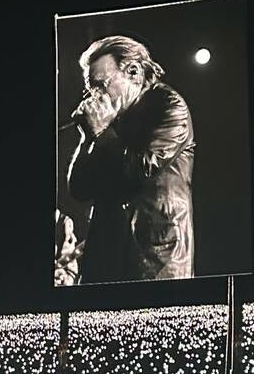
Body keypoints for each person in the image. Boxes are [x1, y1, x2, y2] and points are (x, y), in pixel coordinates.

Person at [66, 35, 195, 284]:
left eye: (101, 85)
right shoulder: (111, 119)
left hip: (155, 258)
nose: (95, 97)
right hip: (106, 256)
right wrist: (86, 140)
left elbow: (141, 167)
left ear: (133, 72)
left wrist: (102, 133)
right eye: (91, 89)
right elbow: (79, 189)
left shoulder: (169, 107)